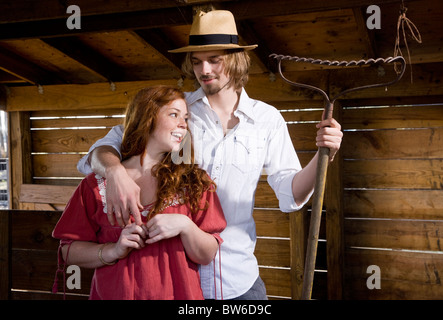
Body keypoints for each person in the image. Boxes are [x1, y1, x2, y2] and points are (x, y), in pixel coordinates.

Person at [77, 10, 343, 300]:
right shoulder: (175, 113)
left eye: (214, 60)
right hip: (178, 281)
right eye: (196, 61)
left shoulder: (268, 120)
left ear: (236, 60)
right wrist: (115, 172)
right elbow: (100, 151)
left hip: (238, 281)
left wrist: (323, 156)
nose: (204, 70)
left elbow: (290, 194)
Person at [53, 85, 227, 300]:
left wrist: (185, 226)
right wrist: (113, 250)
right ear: (147, 117)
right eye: (174, 115)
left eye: (185, 117)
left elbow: (207, 254)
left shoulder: (195, 182)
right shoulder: (95, 185)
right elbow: (68, 252)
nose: (183, 124)